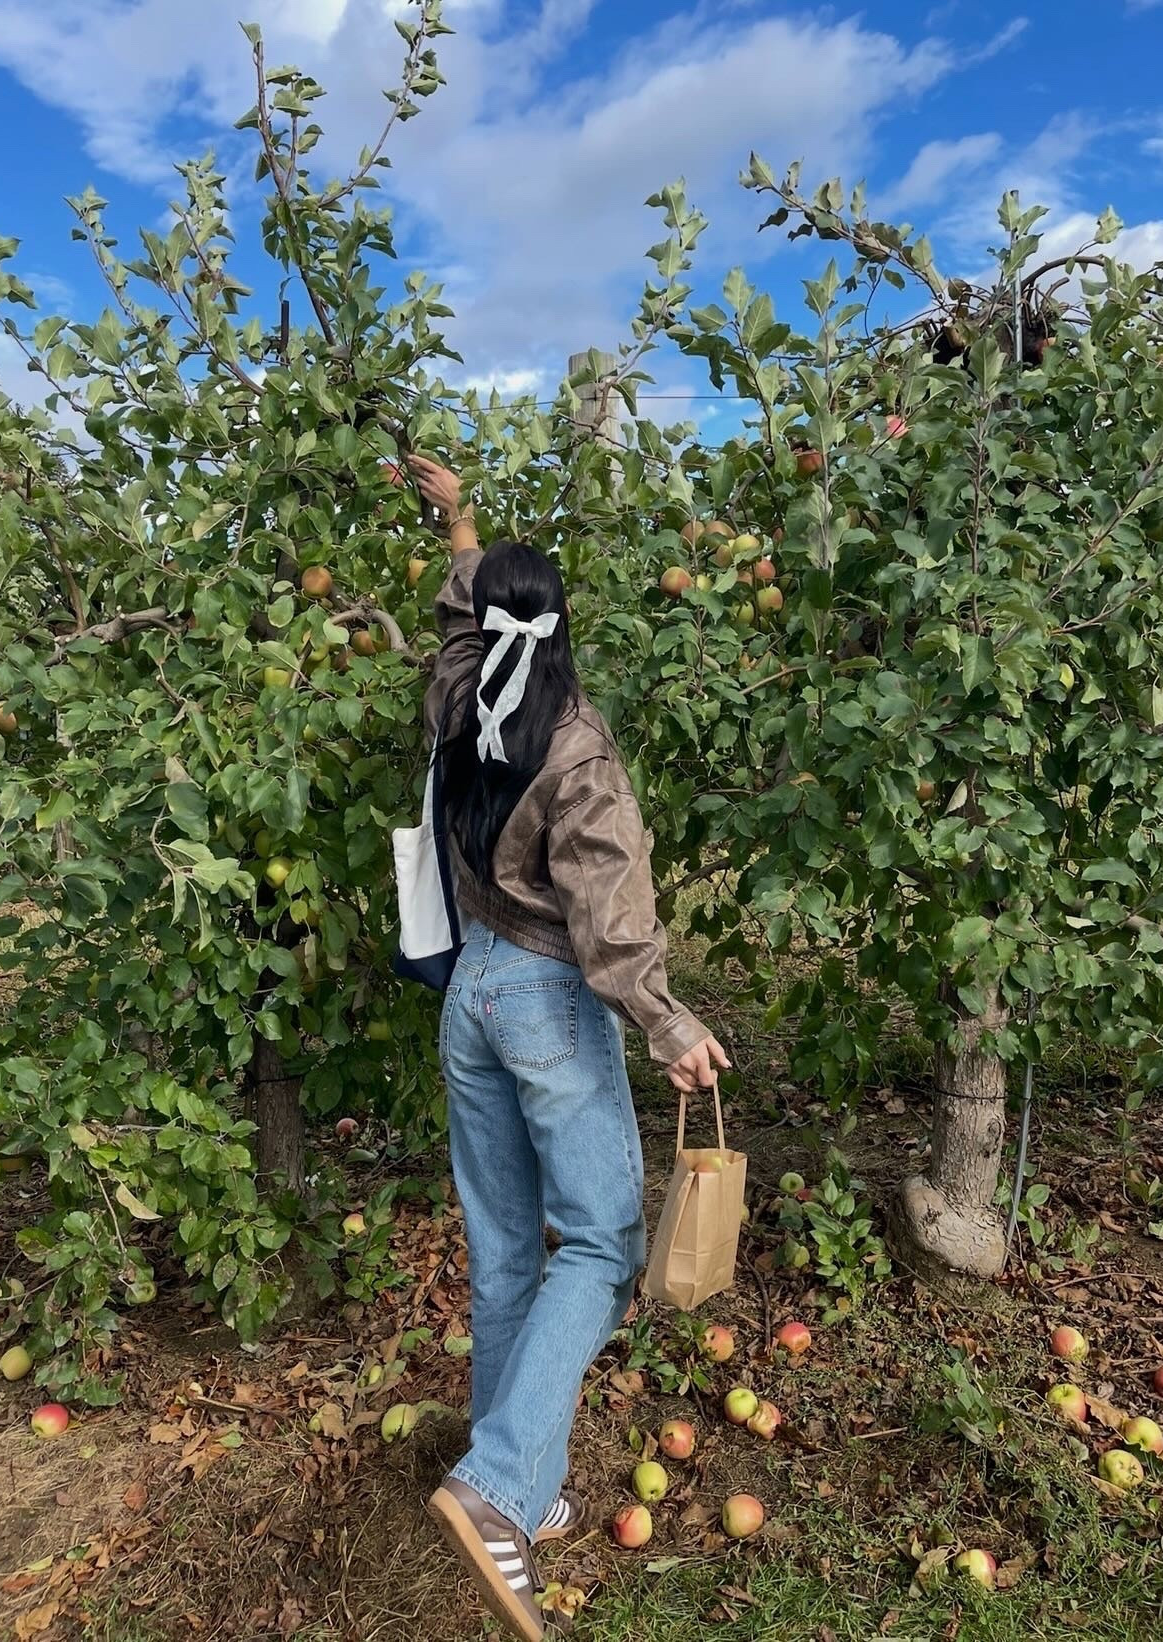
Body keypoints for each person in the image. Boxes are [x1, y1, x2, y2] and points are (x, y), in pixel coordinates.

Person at [396, 453, 729, 1641]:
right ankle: (493, 1487)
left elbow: (455, 620)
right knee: (602, 1236)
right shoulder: (575, 747)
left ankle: (518, 1489)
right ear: (564, 628)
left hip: (469, 996)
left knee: (503, 1250)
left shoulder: (454, 699)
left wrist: (460, 524)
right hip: (542, 1003)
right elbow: (609, 921)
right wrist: (671, 1025)